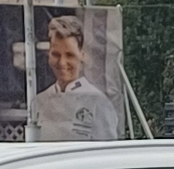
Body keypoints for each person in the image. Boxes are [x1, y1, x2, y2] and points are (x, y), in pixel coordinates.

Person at [33, 15, 118, 143]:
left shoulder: (98, 102)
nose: (62, 63)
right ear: (48, 55)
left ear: (82, 55)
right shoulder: (39, 101)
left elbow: (106, 154)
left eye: (70, 55)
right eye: (56, 54)